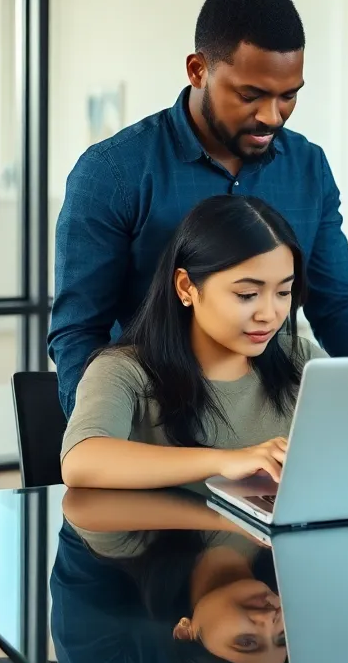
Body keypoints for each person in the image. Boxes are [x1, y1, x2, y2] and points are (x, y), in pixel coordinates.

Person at [49, 0, 348, 416]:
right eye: (250, 95)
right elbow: (78, 332)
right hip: (153, 419)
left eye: (289, 96)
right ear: (197, 70)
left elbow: (338, 306)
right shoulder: (113, 172)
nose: (271, 116)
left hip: (274, 423)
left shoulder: (309, 167)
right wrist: (99, 434)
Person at [59, 194, 325, 491]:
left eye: (284, 293)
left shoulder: (303, 360)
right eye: (247, 295)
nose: (268, 315)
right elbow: (80, 461)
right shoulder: (123, 371)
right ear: (186, 287)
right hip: (163, 523)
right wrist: (226, 461)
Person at [55, 487, 289, 663]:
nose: (270, 620)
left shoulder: (108, 662)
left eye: (246, 641)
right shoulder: (288, 556)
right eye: (281, 638)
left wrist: (228, 521)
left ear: (185, 632)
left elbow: (79, 511)